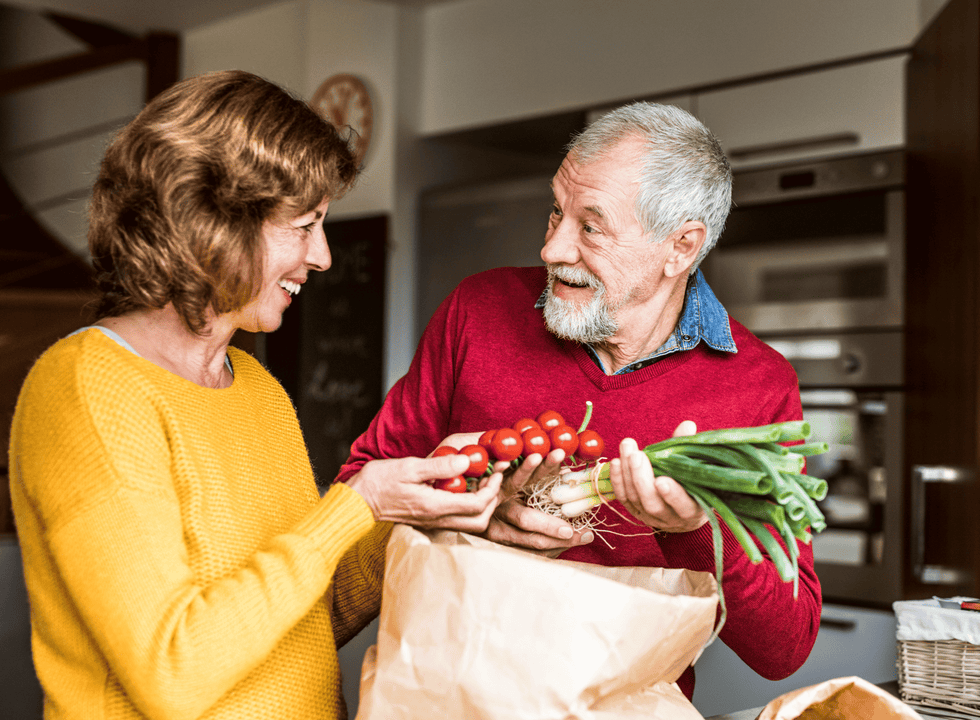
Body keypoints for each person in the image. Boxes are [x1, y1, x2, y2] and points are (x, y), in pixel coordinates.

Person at [7, 70, 503, 720]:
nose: (322, 256)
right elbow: (175, 672)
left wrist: (416, 513)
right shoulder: (87, 388)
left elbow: (304, 616)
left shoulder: (258, 387)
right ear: (211, 220)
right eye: (304, 225)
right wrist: (355, 504)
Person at [336, 101, 822, 700]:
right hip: (444, 696)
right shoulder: (478, 312)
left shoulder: (757, 386)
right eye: (555, 213)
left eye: (590, 227)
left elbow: (786, 646)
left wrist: (696, 530)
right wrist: (464, 507)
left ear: (681, 247)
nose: (553, 249)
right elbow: (359, 497)